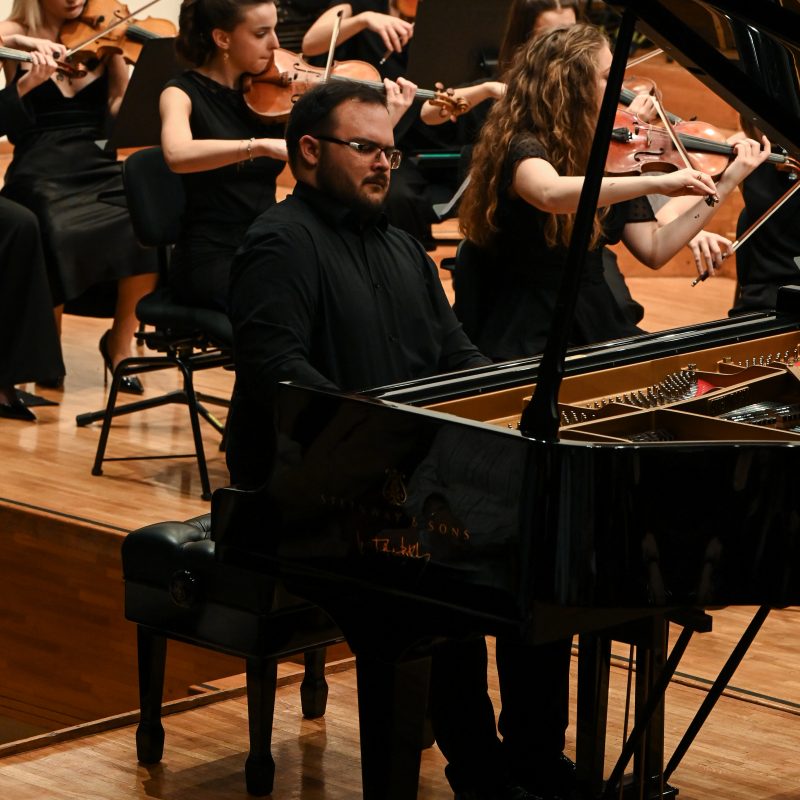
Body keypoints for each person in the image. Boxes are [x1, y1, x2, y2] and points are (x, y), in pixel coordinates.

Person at [228, 81, 552, 800]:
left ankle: (524, 765)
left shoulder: (403, 248)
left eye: (390, 151)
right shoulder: (278, 243)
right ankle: (478, 772)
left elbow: (457, 356)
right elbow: (283, 378)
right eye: (364, 147)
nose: (383, 162)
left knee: (528, 560)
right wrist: (390, 439)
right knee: (436, 590)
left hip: (399, 480)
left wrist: (520, 405)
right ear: (309, 151)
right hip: (304, 496)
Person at [459, 23, 771, 361]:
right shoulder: (522, 145)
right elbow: (549, 193)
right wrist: (656, 183)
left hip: (593, 310)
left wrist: (724, 185)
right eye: (608, 77)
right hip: (527, 319)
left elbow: (655, 249)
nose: (622, 90)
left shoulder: (615, 155)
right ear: (571, 85)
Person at [161, 0, 417, 312]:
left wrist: (389, 118)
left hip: (268, 242)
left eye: (275, 30)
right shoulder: (181, 92)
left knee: (352, 288)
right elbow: (176, 153)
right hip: (211, 255)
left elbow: (339, 157)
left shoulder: (269, 95)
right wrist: (259, 146)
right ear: (222, 38)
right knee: (306, 303)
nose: (275, 44)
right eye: (261, 33)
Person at [0, 0, 159, 394]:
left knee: (142, 217)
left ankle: (119, 345)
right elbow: (13, 123)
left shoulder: (107, 34)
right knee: (53, 223)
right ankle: (47, 348)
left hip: (95, 159)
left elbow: (117, 109)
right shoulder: (14, 31)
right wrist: (27, 62)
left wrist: (142, 88)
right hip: (40, 166)